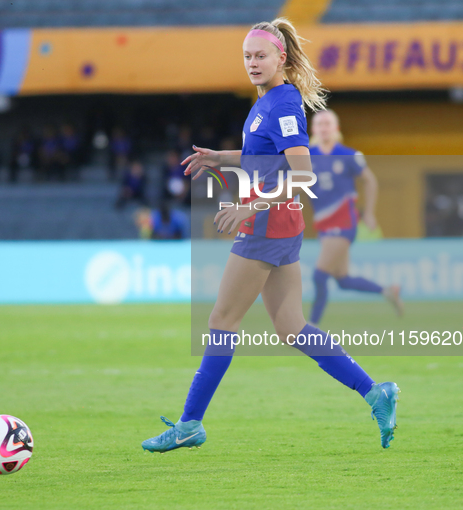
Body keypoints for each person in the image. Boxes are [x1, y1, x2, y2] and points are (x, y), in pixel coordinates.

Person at [141, 18, 399, 454]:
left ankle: (189, 424)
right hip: (282, 225)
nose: (252, 63)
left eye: (260, 56)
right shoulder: (270, 101)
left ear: (281, 57)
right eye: (247, 56)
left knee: (222, 321)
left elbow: (303, 174)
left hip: (266, 225)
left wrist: (249, 205)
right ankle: (377, 394)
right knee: (292, 326)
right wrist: (223, 157)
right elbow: (264, 155)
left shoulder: (281, 103)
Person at [308, 110, 403, 325]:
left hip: (344, 221)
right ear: (313, 129)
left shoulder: (348, 155)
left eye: (328, 124)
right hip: (323, 224)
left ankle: (310, 328)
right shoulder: (306, 156)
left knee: (319, 275)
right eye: (319, 124)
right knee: (343, 280)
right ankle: (388, 291)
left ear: (336, 129)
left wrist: (369, 213)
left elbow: (370, 181)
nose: (323, 128)